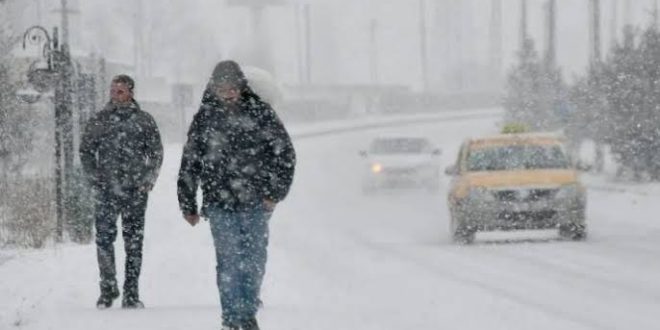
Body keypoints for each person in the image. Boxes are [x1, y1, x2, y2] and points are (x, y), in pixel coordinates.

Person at [177, 60, 296, 330]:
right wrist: (188, 203)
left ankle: (247, 310)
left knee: (254, 260)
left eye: (232, 87)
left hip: (256, 201)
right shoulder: (206, 117)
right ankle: (233, 318)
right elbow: (191, 161)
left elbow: (285, 155)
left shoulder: (261, 113)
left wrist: (274, 193)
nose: (228, 92)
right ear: (214, 88)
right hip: (220, 203)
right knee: (229, 260)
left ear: (241, 86)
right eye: (223, 87)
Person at [80, 74, 163, 309]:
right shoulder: (100, 120)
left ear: (130, 92)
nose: (115, 94)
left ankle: (131, 293)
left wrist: (148, 180)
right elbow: (86, 151)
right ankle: (107, 288)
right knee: (104, 239)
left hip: (135, 190)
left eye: (120, 91)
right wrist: (95, 178)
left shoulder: (144, 121)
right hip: (106, 190)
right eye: (112, 90)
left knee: (133, 242)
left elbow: (156, 153)